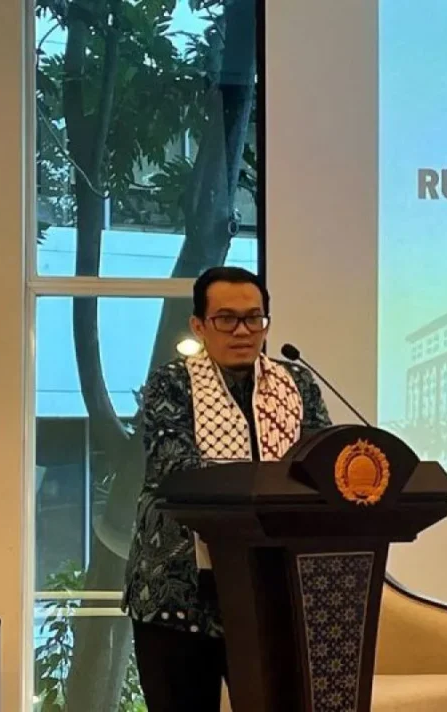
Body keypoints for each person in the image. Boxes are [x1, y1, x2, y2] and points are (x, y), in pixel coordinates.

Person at [122, 266, 331, 711]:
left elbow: (321, 465)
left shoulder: (298, 384)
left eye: (254, 318)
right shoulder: (172, 382)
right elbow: (175, 469)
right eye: (226, 318)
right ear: (199, 325)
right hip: (179, 594)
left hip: (273, 590)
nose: (242, 330)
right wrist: (268, 481)